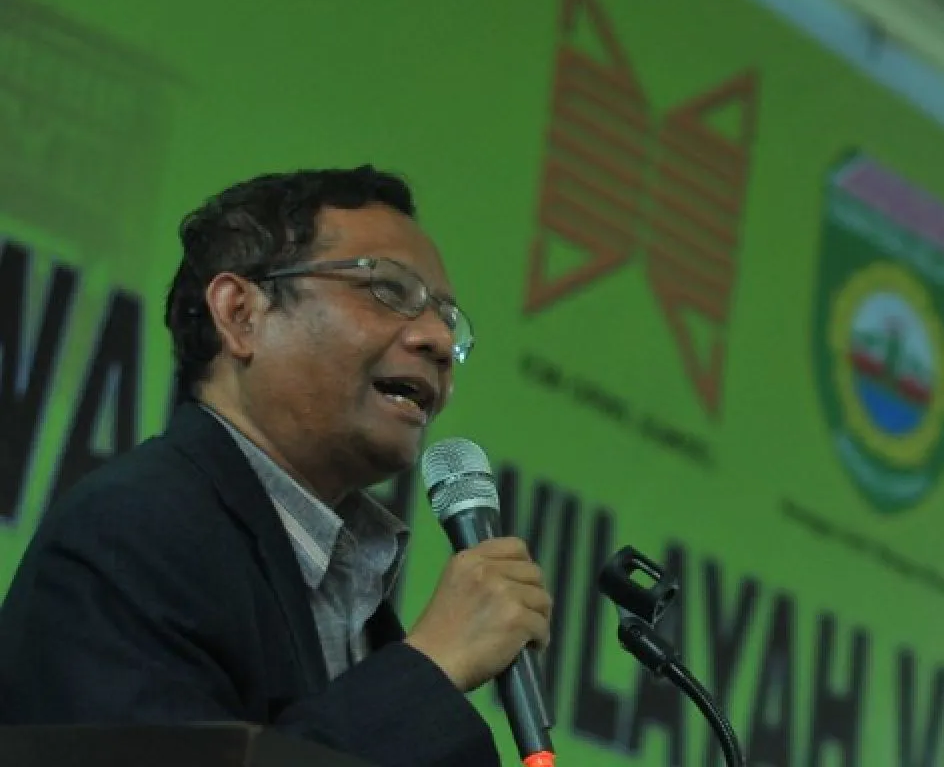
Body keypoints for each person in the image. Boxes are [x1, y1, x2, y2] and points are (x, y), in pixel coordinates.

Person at [0, 166, 553, 766]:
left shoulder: (359, 603)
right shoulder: (126, 534)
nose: (439, 342)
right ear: (241, 313)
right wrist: (431, 669)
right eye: (389, 291)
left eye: (447, 319)